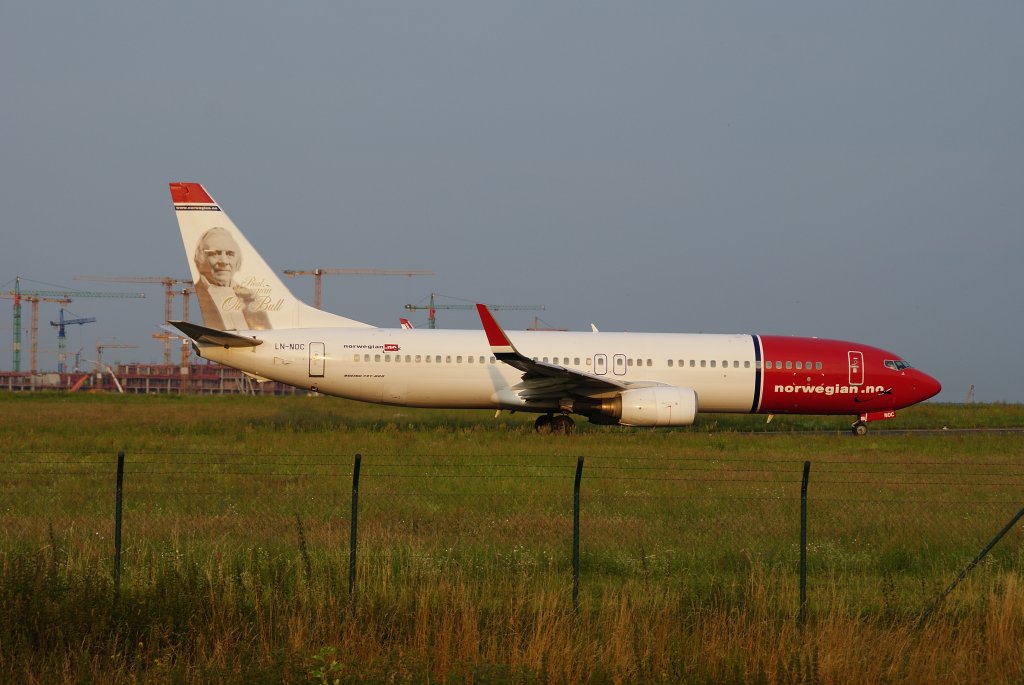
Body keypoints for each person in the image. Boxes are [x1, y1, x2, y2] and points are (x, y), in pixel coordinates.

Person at [192, 227, 271, 330]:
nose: (223, 261)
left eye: (230, 254)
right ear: (201, 258)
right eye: (215, 254)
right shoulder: (193, 295)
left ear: (237, 261)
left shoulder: (251, 297)